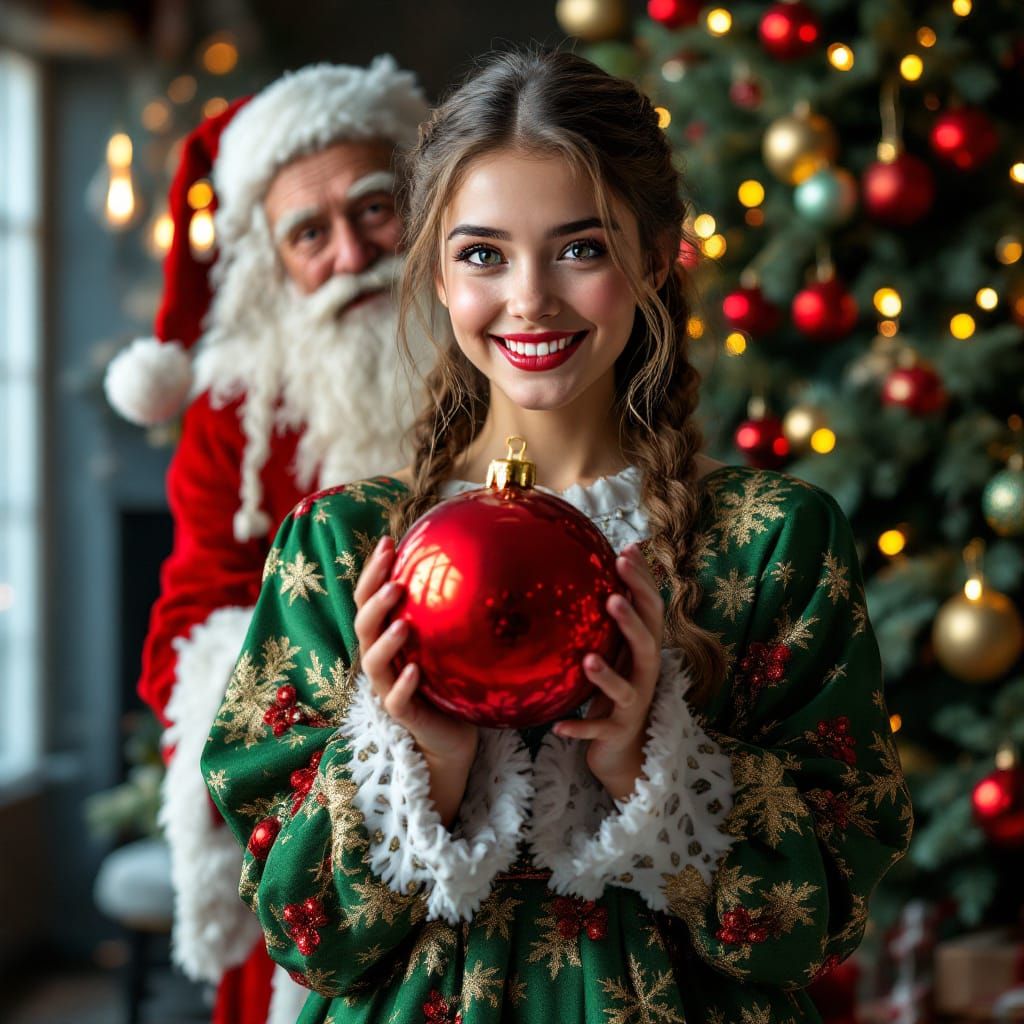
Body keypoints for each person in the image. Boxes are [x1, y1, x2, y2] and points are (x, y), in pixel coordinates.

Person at [202, 49, 912, 1023]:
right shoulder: (340, 550)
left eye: (579, 248)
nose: (529, 297)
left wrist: (645, 763)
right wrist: (420, 759)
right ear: (439, 275)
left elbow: (815, 919)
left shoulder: (769, 543)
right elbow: (306, 931)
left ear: (655, 254)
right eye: (483, 254)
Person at [104, 59, 429, 1024]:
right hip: (313, 806)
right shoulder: (235, 416)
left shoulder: (502, 347)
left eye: (375, 209)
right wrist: (343, 697)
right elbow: (183, 632)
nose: (350, 254)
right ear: (271, 257)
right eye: (308, 233)